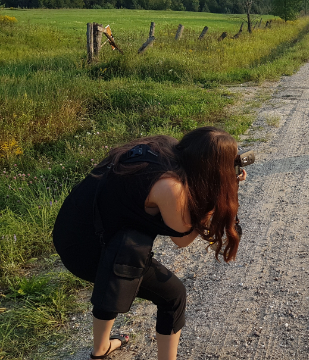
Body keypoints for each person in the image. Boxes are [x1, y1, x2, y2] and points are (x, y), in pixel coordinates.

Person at [53, 127, 247, 360]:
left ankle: (100, 349)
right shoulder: (171, 186)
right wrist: (217, 198)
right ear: (212, 169)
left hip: (73, 229)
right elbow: (182, 238)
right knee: (173, 296)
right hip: (87, 248)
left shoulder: (163, 147)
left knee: (119, 272)